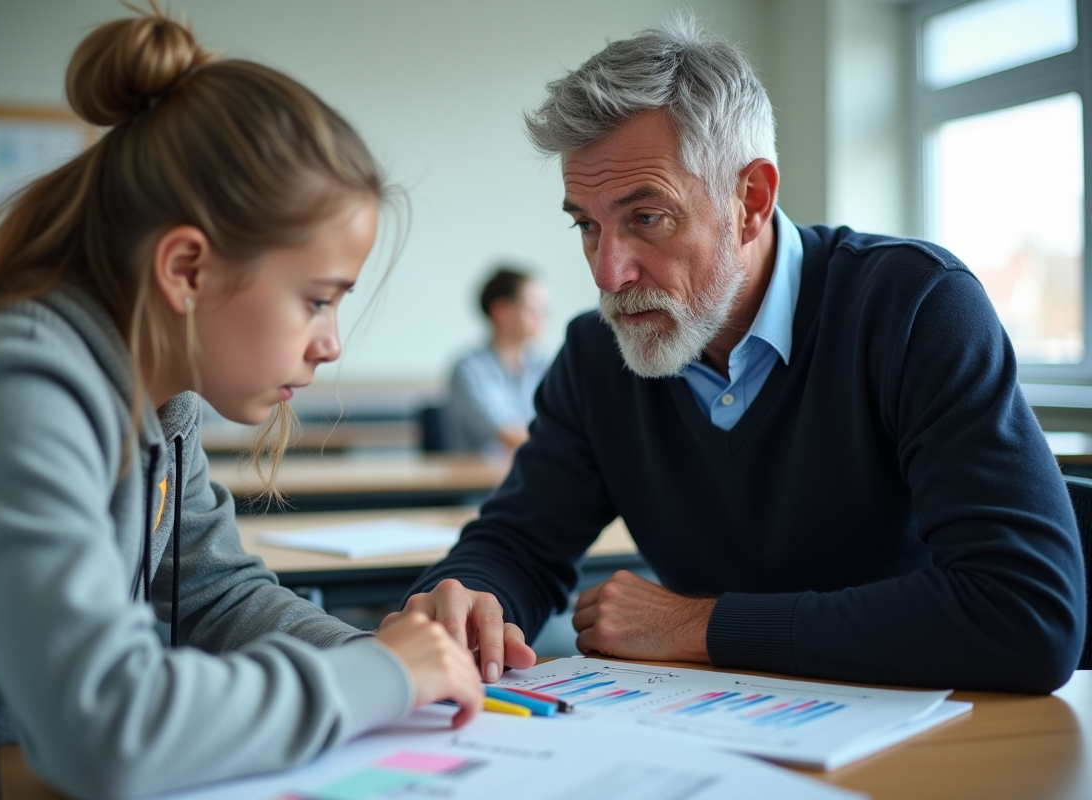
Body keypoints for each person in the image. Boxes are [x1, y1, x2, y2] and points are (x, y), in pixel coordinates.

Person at [386, 16, 1086, 693]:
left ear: (750, 199)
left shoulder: (914, 306)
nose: (607, 274)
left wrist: (701, 624)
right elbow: (519, 543)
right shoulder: (597, 356)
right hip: (720, 740)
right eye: (588, 226)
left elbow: (1025, 612)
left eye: (646, 219)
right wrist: (467, 595)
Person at [0, 11, 483, 799]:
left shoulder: (152, 391)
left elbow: (215, 594)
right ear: (186, 270)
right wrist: (379, 676)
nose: (331, 344)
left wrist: (406, 661)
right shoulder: (1, 377)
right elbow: (109, 726)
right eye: (316, 300)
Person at [446, 266, 550, 454]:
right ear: (501, 311)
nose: (543, 318)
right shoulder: (469, 370)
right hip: (480, 480)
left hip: (536, 472)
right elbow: (507, 435)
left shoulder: (544, 365)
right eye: (533, 309)